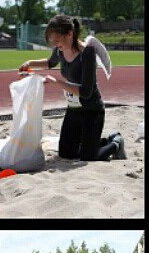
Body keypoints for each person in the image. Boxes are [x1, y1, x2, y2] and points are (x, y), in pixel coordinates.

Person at [19, 14, 125, 162]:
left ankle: (116, 143)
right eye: (53, 43)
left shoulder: (87, 53)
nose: (55, 45)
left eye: (57, 41)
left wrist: (57, 82)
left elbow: (86, 93)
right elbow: (50, 63)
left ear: (70, 34)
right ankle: (97, 142)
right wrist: (30, 63)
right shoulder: (59, 50)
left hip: (92, 110)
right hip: (73, 110)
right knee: (66, 153)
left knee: (88, 158)